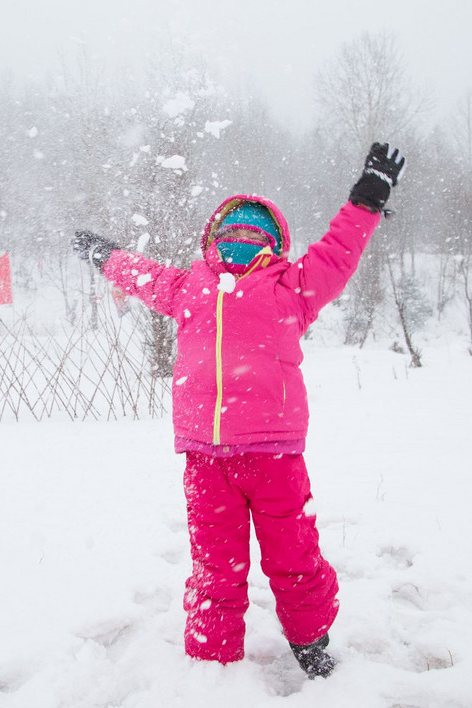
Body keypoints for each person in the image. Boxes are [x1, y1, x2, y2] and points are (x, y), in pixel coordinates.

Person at [72, 142, 406, 678]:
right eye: (234, 238)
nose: (237, 248)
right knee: (278, 557)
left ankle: (240, 656)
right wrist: (365, 201)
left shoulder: (223, 285)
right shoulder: (272, 284)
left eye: (246, 238)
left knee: (228, 565)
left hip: (230, 457)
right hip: (246, 457)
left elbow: (141, 273)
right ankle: (282, 651)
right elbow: (338, 253)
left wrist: (105, 256)